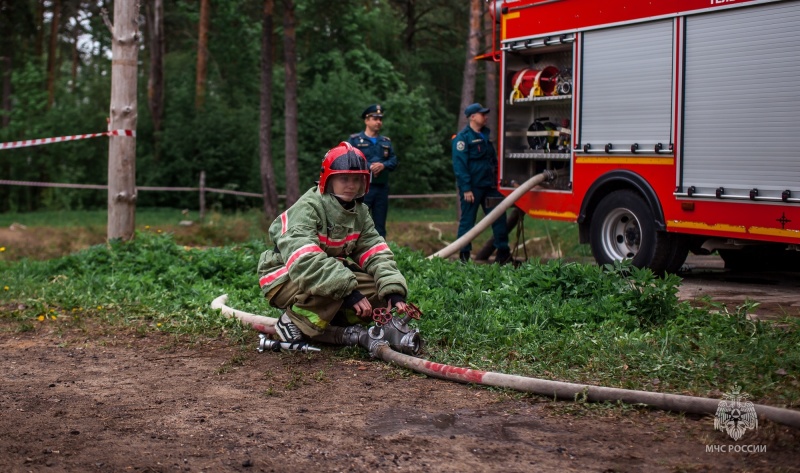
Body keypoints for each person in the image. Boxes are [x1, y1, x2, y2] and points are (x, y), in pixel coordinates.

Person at [257, 141, 408, 343]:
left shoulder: (360, 212)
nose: (351, 185)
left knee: (376, 292)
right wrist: (349, 293)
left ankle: (336, 319)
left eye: (356, 179)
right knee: (334, 286)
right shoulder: (309, 207)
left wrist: (393, 290)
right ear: (328, 180)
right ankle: (293, 322)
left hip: (326, 272)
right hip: (284, 275)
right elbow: (306, 263)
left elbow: (375, 252)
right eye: (343, 178)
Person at [452, 103, 511, 264]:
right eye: (482, 114)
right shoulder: (462, 139)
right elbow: (459, 166)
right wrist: (466, 188)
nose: (485, 116)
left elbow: (493, 160)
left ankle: (503, 253)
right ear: (472, 117)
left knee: (499, 217)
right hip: (473, 188)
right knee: (468, 221)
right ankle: (464, 257)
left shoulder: (485, 135)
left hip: (490, 186)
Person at [348, 104, 398, 238]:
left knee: (380, 226)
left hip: (381, 188)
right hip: (362, 188)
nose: (378, 122)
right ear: (366, 120)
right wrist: (369, 166)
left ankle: (379, 255)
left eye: (380, 119)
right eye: (375, 119)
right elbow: (350, 159)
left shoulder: (385, 141)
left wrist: (383, 165)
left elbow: (393, 161)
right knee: (357, 222)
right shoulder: (355, 140)